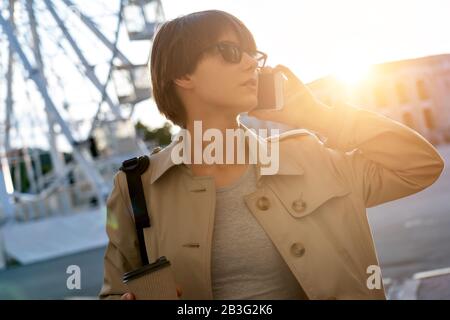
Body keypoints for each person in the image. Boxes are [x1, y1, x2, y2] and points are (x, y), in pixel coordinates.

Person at [99, 10, 444, 300]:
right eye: (231, 52)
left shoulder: (309, 156)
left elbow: (419, 165)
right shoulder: (135, 188)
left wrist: (318, 115)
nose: (252, 63)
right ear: (182, 74)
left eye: (255, 55)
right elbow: (115, 291)